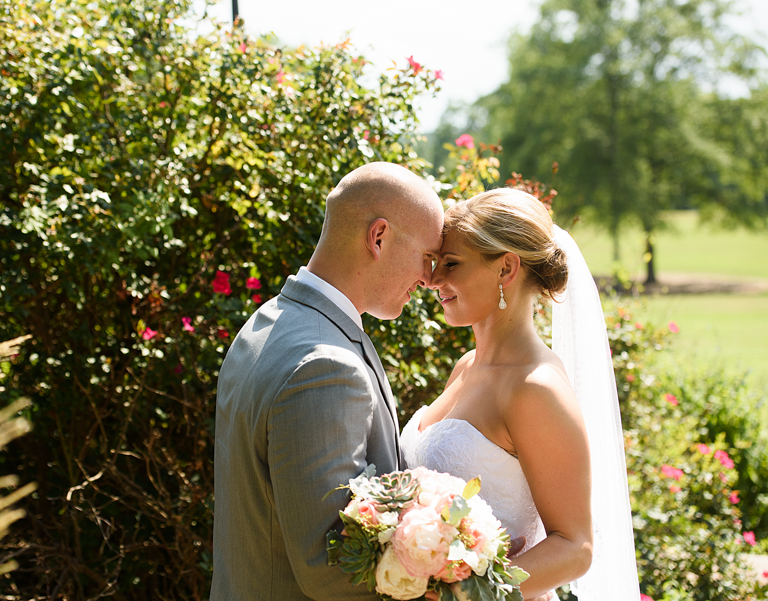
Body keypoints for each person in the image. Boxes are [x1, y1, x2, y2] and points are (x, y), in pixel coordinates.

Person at [210, 162, 444, 601]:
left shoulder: (268, 322)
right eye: (427, 258)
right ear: (379, 237)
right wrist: (453, 577)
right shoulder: (326, 365)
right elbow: (329, 569)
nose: (430, 280)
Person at [400, 188, 640, 601]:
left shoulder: (535, 389)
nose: (433, 279)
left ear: (506, 269)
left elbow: (574, 547)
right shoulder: (466, 366)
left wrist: (464, 594)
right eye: (437, 263)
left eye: (451, 265)